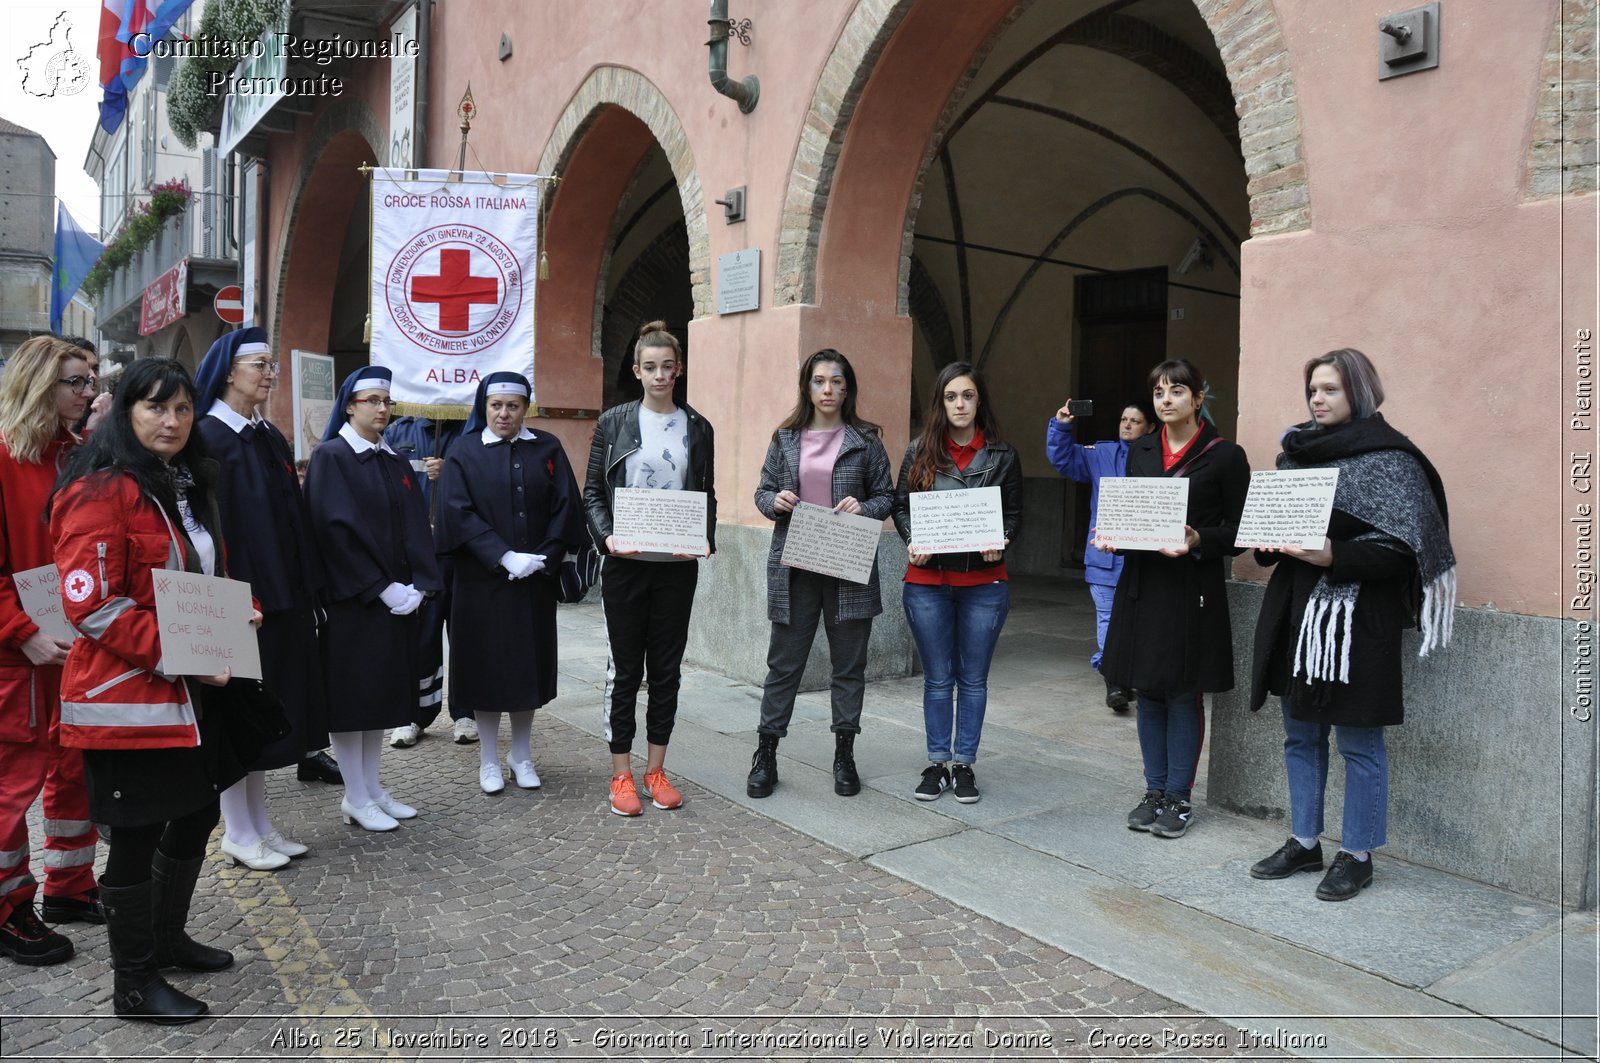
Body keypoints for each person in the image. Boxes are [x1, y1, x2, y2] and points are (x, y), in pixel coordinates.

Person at [51, 358, 252, 1023]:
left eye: (182, 408)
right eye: (155, 407)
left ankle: (166, 940)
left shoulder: (185, 481)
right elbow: (93, 606)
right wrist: (187, 653)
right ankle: (133, 984)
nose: (171, 420)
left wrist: (229, 614)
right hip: (125, 697)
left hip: (194, 691)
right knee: (135, 835)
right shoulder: (99, 490)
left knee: (196, 813)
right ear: (126, 414)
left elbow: (189, 580)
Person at [1247, 348, 1455, 900]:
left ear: (1358, 393)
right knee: (1300, 734)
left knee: (1359, 742)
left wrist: (1334, 555)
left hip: (1357, 621)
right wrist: (1269, 543)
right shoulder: (1294, 457)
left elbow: (1405, 554)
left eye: (1330, 389)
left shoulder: (1393, 460)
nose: (1317, 398)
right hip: (1295, 612)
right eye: (1313, 389)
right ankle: (1304, 841)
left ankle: (1358, 854)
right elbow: (1278, 538)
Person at [194, 328, 330, 869]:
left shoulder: (266, 434)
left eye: (271, 364)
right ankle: (237, 830)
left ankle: (259, 824)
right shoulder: (209, 437)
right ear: (229, 371)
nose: (269, 373)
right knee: (239, 716)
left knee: (266, 714)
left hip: (282, 595)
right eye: (259, 364)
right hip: (238, 599)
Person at [1098, 358, 1249, 839]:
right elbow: (1135, 512)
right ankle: (1154, 790)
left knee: (1183, 693)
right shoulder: (1140, 448)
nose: (1166, 400)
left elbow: (1241, 531)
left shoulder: (1225, 455)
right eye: (1159, 391)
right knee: (1148, 690)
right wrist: (1114, 536)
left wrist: (1198, 538)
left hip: (1191, 589)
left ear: (1198, 399)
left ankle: (1179, 797)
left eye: (1177, 391)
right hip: (1143, 585)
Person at [746, 350, 894, 800]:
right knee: (784, 664)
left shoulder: (866, 439)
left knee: (849, 665)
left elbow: (887, 496)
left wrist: (863, 507)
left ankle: (844, 754)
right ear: (806, 387)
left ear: (848, 388)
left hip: (847, 562)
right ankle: (766, 753)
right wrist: (775, 501)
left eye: (836, 381)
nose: (827, 390)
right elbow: (762, 490)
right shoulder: (786, 437)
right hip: (796, 563)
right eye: (819, 381)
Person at [583, 321, 715, 817]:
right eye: (651, 367)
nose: (660, 375)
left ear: (678, 370)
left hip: (676, 567)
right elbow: (593, 492)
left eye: (668, 367)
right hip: (626, 564)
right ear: (637, 371)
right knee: (625, 671)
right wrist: (607, 536)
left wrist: (705, 538)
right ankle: (621, 773)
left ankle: (656, 769)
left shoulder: (698, 427)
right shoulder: (614, 422)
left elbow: (706, 492)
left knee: (666, 670)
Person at [305, 367, 441, 832]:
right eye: (372, 400)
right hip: (355, 602)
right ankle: (355, 795)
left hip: (398, 600)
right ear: (349, 405)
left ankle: (373, 787)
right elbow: (333, 530)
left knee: (379, 699)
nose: (382, 408)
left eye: (387, 400)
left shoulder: (393, 459)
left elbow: (415, 524)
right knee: (353, 701)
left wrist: (420, 584)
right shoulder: (332, 456)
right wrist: (380, 588)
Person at [0, 337, 100, 967]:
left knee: (75, 774)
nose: (89, 392)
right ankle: (8, 907)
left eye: (90, 380)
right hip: (20, 659)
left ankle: (70, 886)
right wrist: (19, 630)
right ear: (41, 385)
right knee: (10, 791)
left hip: (73, 649)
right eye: (76, 381)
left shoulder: (80, 456)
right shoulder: (4, 459)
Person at [436, 372, 586, 793]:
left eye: (513, 406)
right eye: (496, 406)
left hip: (533, 581)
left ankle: (521, 754)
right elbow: (456, 512)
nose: (504, 414)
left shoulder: (547, 448)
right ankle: (487, 758)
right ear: (484, 407)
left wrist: (545, 557)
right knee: (486, 670)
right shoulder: (463, 451)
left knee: (526, 671)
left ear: (526, 408)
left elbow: (564, 505)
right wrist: (502, 555)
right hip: (481, 582)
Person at [891, 362, 1022, 804]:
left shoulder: (1002, 455)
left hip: (984, 582)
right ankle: (936, 763)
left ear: (979, 400)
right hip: (928, 580)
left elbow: (1015, 513)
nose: (960, 404)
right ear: (940, 403)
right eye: (951, 397)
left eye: (967, 396)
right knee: (937, 678)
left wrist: (1001, 541)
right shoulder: (919, 450)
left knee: (973, 679)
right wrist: (912, 539)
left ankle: (964, 764)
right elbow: (901, 505)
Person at [1047, 398, 1156, 712]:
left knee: (1143, 619)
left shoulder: (1160, 457)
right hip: (1105, 558)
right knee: (1108, 617)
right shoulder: (1103, 453)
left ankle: (1138, 674)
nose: (1127, 425)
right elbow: (1064, 459)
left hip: (1145, 557)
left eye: (1135, 421)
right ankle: (1115, 682)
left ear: (1150, 427)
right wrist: (1061, 425)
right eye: (1123, 419)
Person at [383, 412, 467, 747]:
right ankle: (415, 715)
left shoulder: (471, 431)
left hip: (461, 550)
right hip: (417, 552)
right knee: (420, 638)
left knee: (464, 635)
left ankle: (466, 712)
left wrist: (450, 476)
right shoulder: (397, 431)